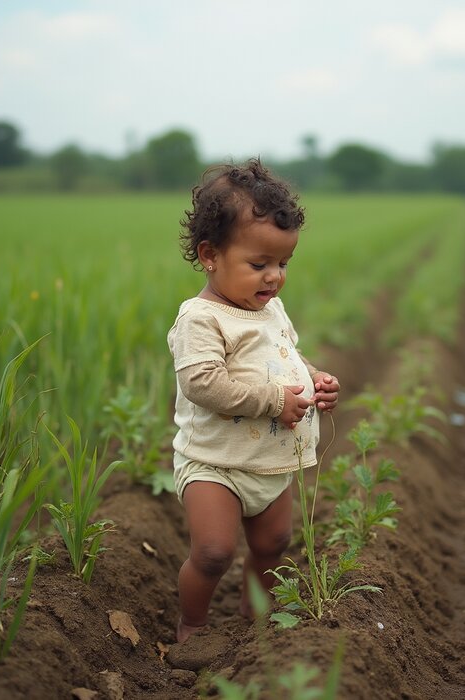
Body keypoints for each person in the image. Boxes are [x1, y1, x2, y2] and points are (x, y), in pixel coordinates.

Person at [167, 158, 340, 643]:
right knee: (214, 552)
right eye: (258, 265)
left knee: (274, 543)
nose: (274, 278)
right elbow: (201, 383)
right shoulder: (201, 319)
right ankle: (193, 626)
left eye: (283, 263)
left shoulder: (270, 309)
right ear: (210, 255)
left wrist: (314, 377)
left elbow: (284, 356)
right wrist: (271, 401)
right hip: (215, 463)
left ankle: (254, 614)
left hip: (268, 460)